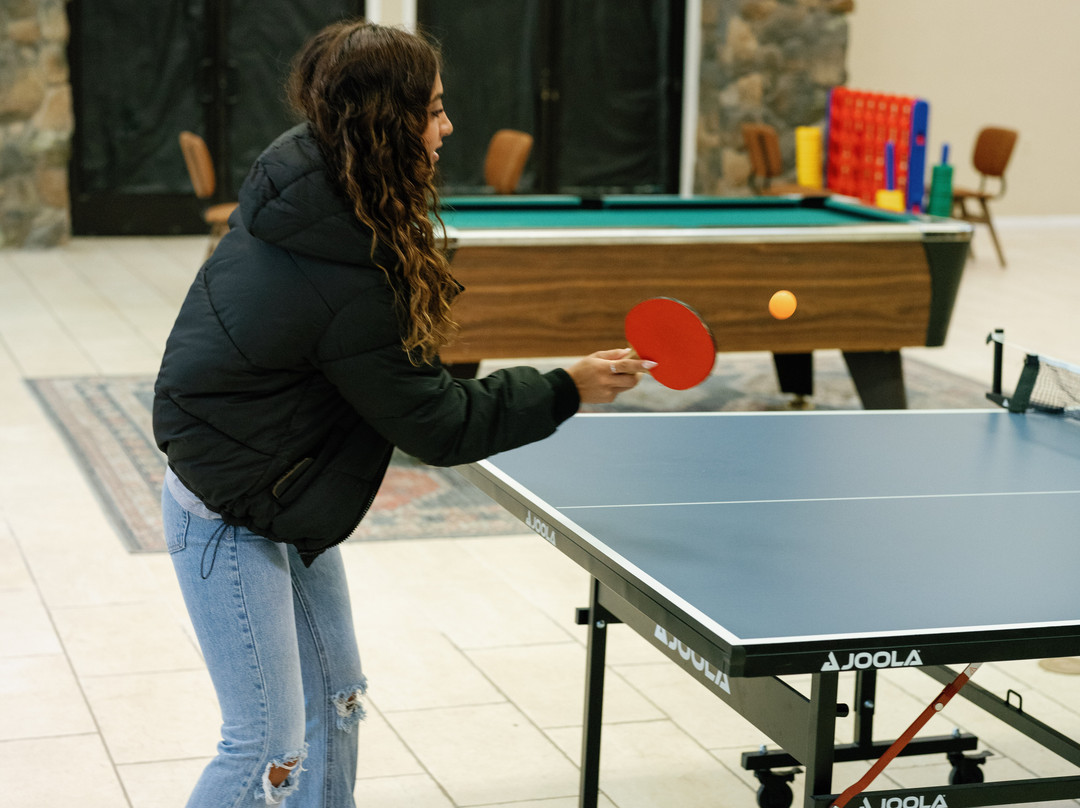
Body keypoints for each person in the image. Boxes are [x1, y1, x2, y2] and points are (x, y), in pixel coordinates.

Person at [153, 18, 652, 808]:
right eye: (435, 110)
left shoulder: (314, 178)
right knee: (267, 748)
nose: (448, 127)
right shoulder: (346, 267)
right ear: (387, 123)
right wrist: (567, 385)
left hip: (282, 488)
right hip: (228, 506)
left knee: (339, 699)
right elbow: (440, 424)